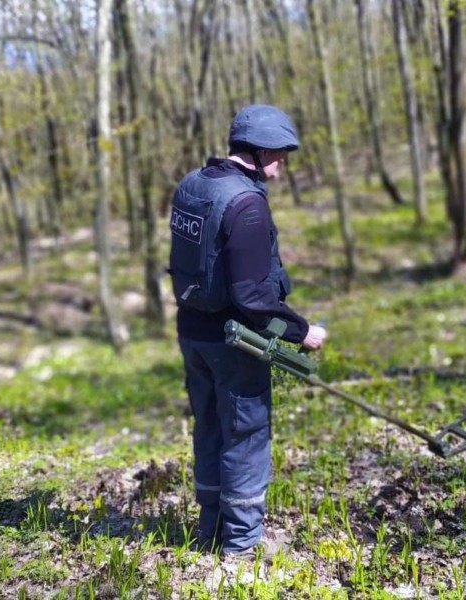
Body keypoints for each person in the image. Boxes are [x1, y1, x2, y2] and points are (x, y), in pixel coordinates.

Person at [169, 104, 327, 557]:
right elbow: (252, 297)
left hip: (192, 334)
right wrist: (302, 332)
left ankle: (209, 531)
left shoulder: (192, 186)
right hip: (233, 341)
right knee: (246, 435)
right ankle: (239, 548)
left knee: (210, 428)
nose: (282, 165)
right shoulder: (246, 204)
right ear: (258, 152)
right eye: (279, 154)